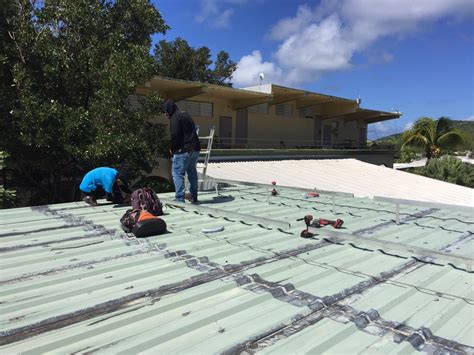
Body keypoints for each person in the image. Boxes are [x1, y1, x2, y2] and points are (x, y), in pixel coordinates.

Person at [161, 99, 201, 203]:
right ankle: (193, 196)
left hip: (184, 150)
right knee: (192, 172)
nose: (165, 114)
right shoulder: (185, 114)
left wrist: (173, 149)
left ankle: (179, 198)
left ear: (169, 109)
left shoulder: (175, 117)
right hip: (195, 149)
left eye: (165, 111)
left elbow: (175, 135)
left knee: (177, 173)